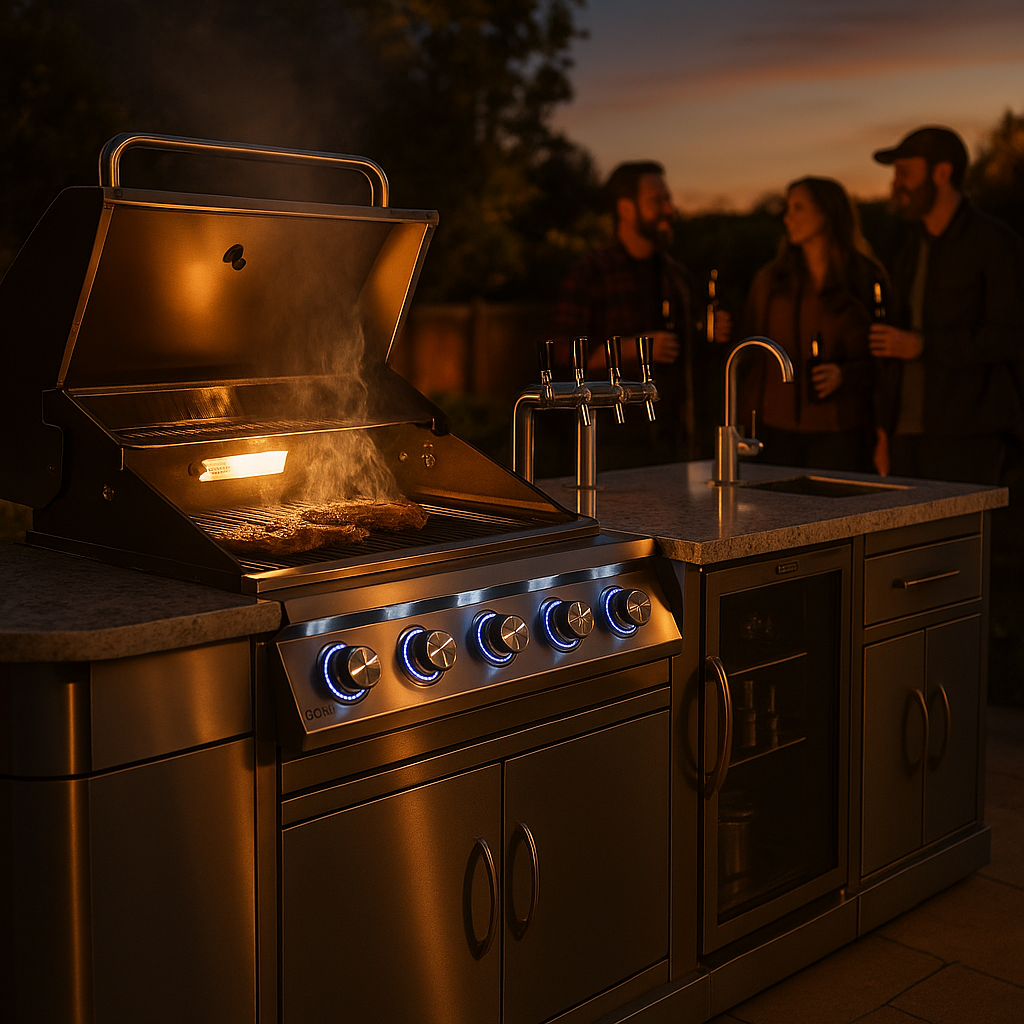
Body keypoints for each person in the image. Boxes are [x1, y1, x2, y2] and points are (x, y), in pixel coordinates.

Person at [869, 126, 1024, 484]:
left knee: (960, 539)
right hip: (906, 436)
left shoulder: (995, 244)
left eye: (905, 173)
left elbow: (1010, 336)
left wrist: (923, 346)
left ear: (942, 173)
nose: (896, 184)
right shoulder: (907, 248)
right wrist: (884, 431)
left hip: (968, 431)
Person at [552, 161, 731, 460]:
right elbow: (561, 356)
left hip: (677, 443)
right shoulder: (591, 271)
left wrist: (709, 328)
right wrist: (631, 348)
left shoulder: (675, 274)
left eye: (668, 200)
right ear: (625, 208)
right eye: (657, 201)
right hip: (613, 448)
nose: (669, 210)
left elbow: (692, 351)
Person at [739, 177, 883, 472]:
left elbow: (885, 355)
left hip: (840, 430)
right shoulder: (770, 281)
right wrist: (742, 423)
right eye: (787, 207)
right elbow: (750, 354)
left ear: (827, 213)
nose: (787, 217)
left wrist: (845, 374)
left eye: (798, 207)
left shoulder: (865, 277)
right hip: (775, 432)